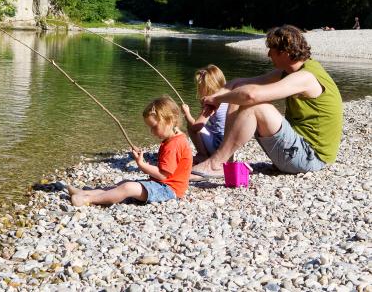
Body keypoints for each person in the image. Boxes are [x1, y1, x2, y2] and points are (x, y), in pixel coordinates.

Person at [191, 24, 343, 178]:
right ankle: (224, 159)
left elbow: (251, 95)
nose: (269, 54)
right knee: (238, 95)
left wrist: (217, 98)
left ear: (284, 52)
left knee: (255, 106)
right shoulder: (295, 70)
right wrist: (217, 98)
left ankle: (215, 163)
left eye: (272, 50)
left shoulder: (305, 77)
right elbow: (239, 83)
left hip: (311, 159)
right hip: (299, 150)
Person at [68, 96, 193, 206]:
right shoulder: (176, 138)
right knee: (124, 183)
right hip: (163, 186)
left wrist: (142, 164)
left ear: (170, 121)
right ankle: (86, 192)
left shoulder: (174, 144)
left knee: (128, 187)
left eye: (154, 127)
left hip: (169, 190)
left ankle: (89, 199)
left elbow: (162, 175)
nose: (152, 132)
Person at [181, 65, 228, 163]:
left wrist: (187, 113)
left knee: (191, 127)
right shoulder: (227, 97)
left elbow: (196, 127)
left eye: (200, 86)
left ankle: (202, 155)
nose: (198, 89)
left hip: (218, 146)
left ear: (208, 87)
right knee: (205, 126)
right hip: (228, 144)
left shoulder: (211, 103)